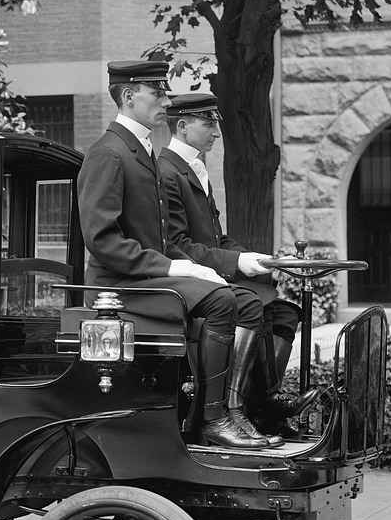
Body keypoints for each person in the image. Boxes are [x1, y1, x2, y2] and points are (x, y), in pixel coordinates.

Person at [77, 60, 265, 449]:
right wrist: (173, 265)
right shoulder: (109, 153)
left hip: (144, 277)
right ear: (129, 97)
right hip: (117, 286)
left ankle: (235, 409)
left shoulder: (139, 149)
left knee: (245, 301)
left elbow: (160, 236)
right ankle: (210, 419)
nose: (165, 100)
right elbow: (102, 239)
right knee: (220, 301)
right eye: (157, 93)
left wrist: (192, 266)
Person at [157, 92, 317, 440]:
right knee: (250, 304)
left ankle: (265, 404)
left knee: (285, 312)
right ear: (182, 127)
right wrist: (236, 262)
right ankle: (230, 411)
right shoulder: (167, 171)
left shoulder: (196, 170)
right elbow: (178, 244)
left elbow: (217, 238)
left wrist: (260, 260)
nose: (216, 131)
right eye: (208, 123)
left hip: (211, 270)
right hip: (189, 279)